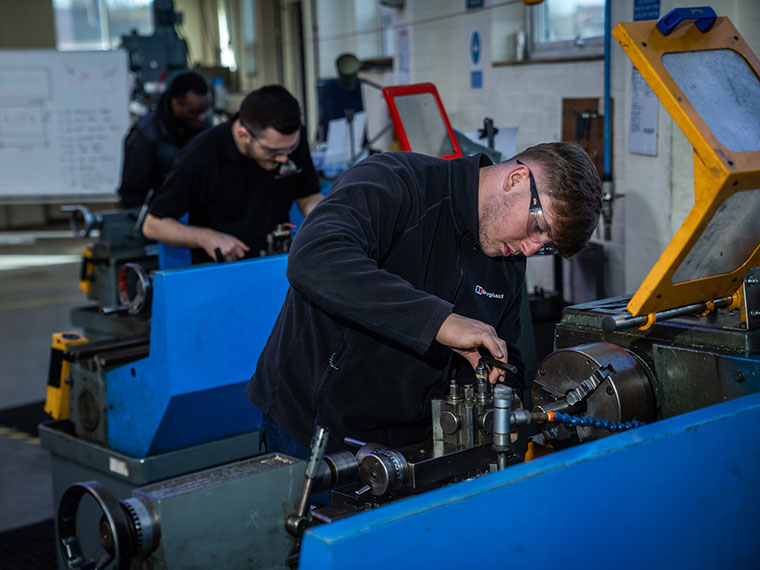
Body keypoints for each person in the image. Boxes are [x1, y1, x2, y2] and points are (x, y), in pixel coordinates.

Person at [246, 142, 602, 457]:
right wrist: (441, 323)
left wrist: (504, 392)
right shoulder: (395, 181)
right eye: (538, 228)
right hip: (314, 429)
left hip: (411, 445)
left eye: (546, 247)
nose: (530, 248)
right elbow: (314, 257)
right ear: (517, 179)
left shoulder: (508, 259)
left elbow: (504, 347)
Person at [142, 85, 323, 264]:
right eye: (274, 152)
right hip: (221, 271)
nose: (284, 159)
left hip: (276, 262)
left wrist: (329, 220)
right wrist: (206, 238)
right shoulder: (199, 156)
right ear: (243, 135)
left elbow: (308, 196)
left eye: (290, 149)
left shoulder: (287, 141)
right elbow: (154, 225)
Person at [118, 71, 211, 209]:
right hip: (159, 214)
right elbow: (132, 194)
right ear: (175, 104)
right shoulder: (145, 134)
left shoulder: (202, 127)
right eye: (194, 112)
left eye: (205, 111)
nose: (202, 118)